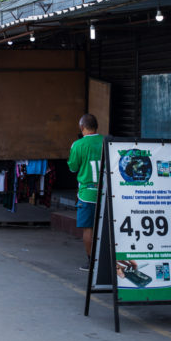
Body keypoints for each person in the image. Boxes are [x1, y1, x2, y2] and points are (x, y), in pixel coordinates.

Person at [67, 113, 104, 271]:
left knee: (88, 228)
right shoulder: (107, 141)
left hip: (86, 194)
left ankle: (91, 262)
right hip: (106, 192)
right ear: (96, 127)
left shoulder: (78, 145)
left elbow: (73, 167)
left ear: (82, 128)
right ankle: (105, 260)